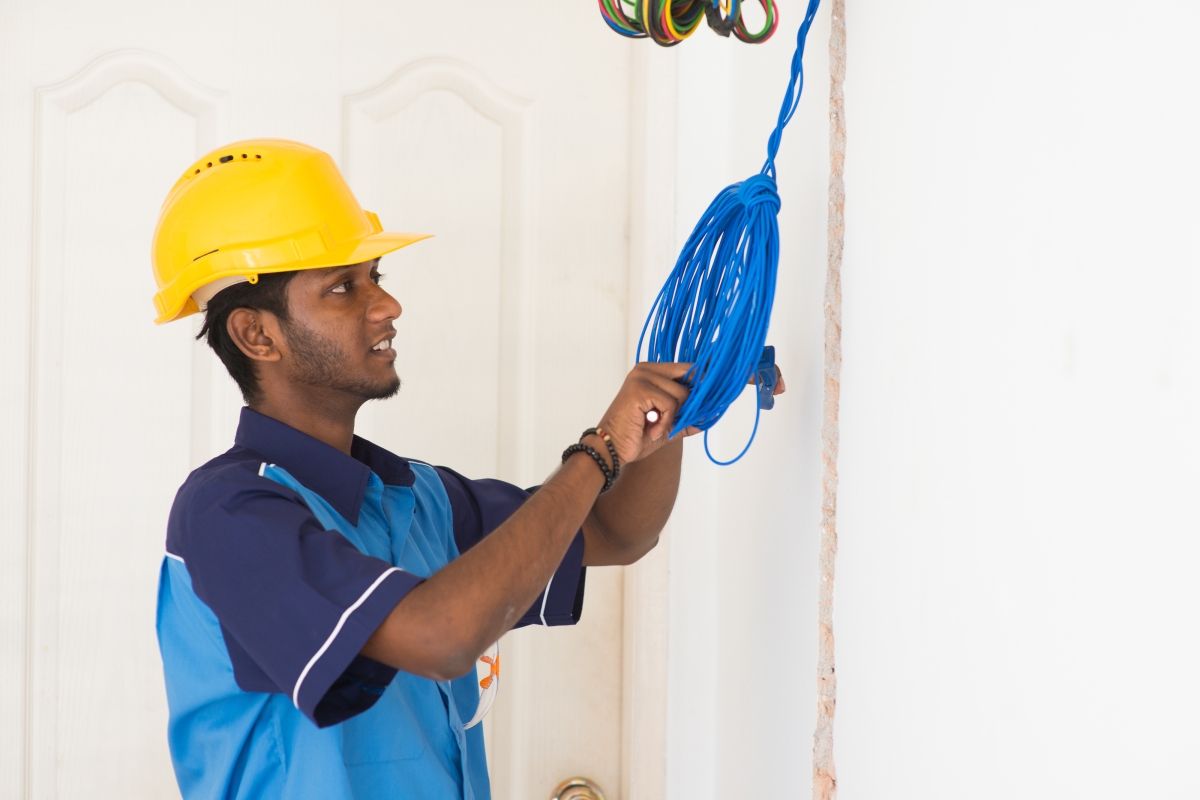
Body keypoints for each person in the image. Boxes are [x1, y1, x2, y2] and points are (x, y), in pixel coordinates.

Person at [151, 139, 783, 800]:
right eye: (343, 287)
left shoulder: (414, 498)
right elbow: (441, 634)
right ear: (258, 335)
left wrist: (674, 408)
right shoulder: (226, 515)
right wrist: (599, 449)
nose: (385, 305)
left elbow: (617, 531)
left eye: (377, 278)